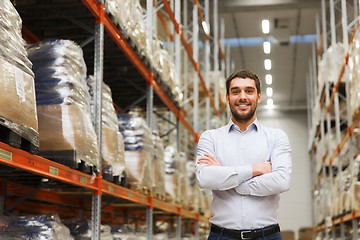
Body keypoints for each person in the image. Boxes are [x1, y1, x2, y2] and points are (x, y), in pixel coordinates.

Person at [195, 69, 292, 240]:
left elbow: (282, 181)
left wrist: (229, 179)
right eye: (235, 91)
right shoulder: (210, 138)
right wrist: (256, 169)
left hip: (267, 236)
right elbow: (205, 178)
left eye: (249, 91)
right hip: (222, 236)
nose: (242, 97)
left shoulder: (276, 137)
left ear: (259, 97)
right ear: (227, 97)